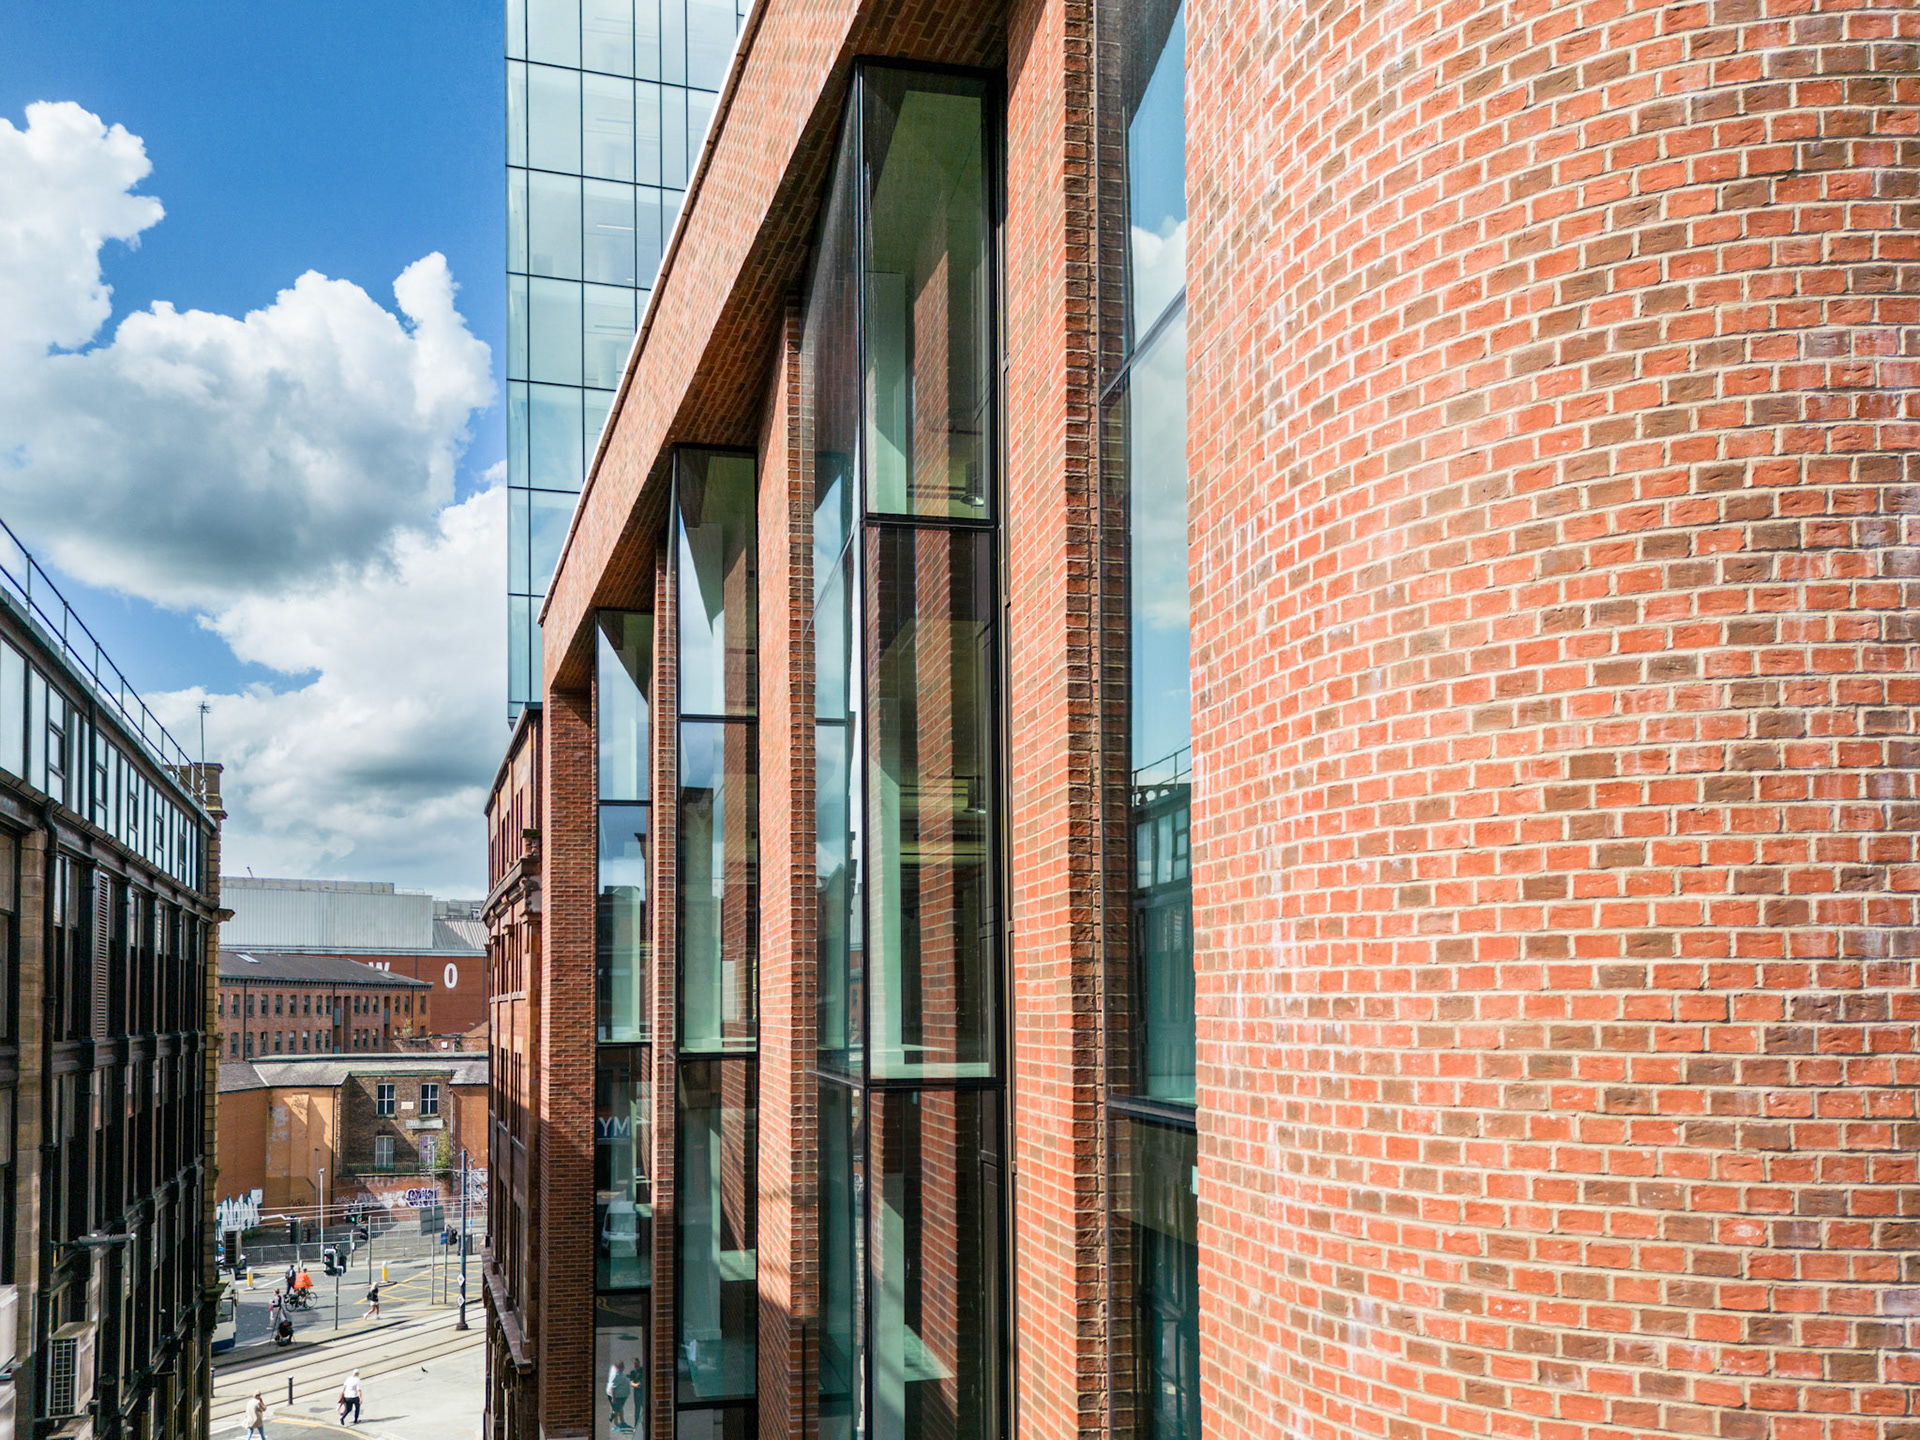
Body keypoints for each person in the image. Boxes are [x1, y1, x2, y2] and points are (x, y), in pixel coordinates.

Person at [606, 1361, 630, 1431]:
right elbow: (612, 1388)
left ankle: (622, 1422)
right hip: (616, 1395)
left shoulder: (614, 1369)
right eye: (622, 1368)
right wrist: (613, 1398)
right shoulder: (615, 1375)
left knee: (620, 1408)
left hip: (621, 1395)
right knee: (616, 1410)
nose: (623, 1369)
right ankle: (616, 1424)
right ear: (617, 1368)